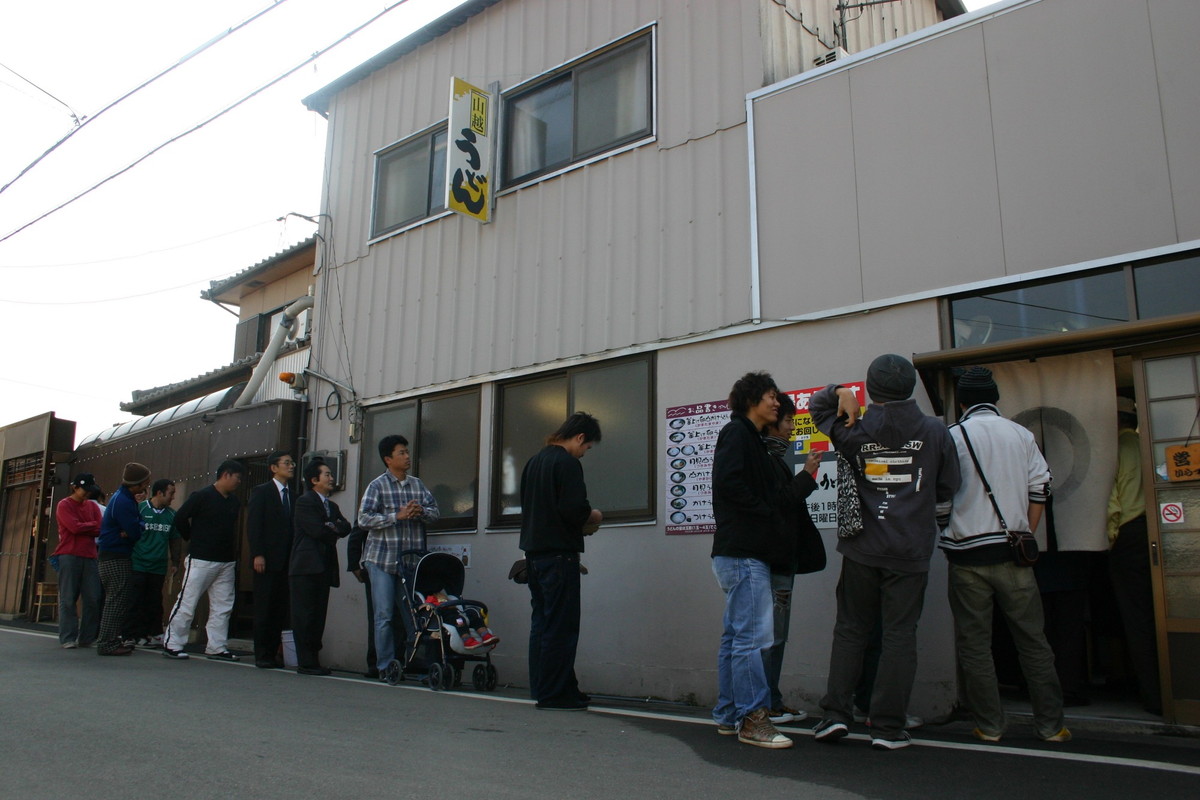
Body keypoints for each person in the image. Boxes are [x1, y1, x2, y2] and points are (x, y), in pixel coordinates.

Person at [810, 354, 960, 751]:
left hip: (862, 546)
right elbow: (947, 487)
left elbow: (816, 406)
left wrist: (841, 392)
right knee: (899, 634)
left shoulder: (851, 428)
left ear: (871, 389)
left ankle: (836, 716)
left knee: (851, 629)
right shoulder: (935, 431)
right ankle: (888, 727)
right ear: (910, 387)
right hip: (910, 549)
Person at [939, 367, 1070, 743]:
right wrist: (1024, 531)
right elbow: (1041, 487)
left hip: (966, 559)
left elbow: (941, 496)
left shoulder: (953, 437)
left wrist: (947, 526)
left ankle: (991, 726)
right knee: (1033, 640)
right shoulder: (1020, 434)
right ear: (994, 399)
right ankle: (1051, 725)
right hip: (1014, 558)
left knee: (975, 645)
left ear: (962, 401)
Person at [710, 372, 792, 748]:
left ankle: (729, 715)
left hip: (739, 551)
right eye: (771, 397)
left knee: (736, 637)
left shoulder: (751, 439)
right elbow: (728, 483)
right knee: (754, 638)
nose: (777, 404)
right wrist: (766, 513)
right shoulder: (738, 433)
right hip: (744, 552)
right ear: (752, 400)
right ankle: (753, 720)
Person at [520, 412, 603, 711]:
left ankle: (549, 687)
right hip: (559, 555)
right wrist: (594, 516)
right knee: (562, 626)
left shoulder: (535, 462)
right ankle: (556, 693)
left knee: (542, 623)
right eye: (587, 446)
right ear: (580, 437)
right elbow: (574, 509)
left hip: (533, 554)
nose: (585, 452)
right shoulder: (568, 464)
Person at [761, 391, 824, 725]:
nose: (791, 429)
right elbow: (778, 505)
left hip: (782, 560)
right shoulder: (765, 459)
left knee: (775, 635)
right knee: (772, 636)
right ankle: (767, 702)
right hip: (775, 562)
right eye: (787, 421)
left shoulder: (773, 458)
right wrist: (806, 476)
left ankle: (772, 699)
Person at [358, 435, 440, 683]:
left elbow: (435, 513)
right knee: (383, 615)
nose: (407, 456)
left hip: (409, 563)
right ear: (388, 459)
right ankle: (385, 666)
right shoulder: (377, 486)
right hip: (381, 559)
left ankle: (412, 663)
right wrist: (397, 516)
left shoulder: (417, 484)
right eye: (401, 452)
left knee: (413, 614)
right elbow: (363, 519)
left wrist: (421, 512)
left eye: (407, 452)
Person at [1107, 396, 1161, 715]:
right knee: (1159, 612)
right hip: (1157, 530)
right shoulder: (1148, 444)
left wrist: (1109, 540)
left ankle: (1153, 695)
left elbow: (1112, 504)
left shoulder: (1113, 450)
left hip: (1129, 532)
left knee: (1136, 615)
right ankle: (1170, 688)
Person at [162, 459, 245, 661]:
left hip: (225, 561)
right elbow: (180, 518)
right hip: (200, 559)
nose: (239, 482)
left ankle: (217, 646)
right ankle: (173, 643)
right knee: (187, 602)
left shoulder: (234, 502)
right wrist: (191, 538)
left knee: (223, 605)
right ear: (226, 474)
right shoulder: (202, 496)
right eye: (237, 477)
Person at [289, 459, 351, 676]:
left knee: (318, 614)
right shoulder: (305, 502)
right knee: (304, 614)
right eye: (326, 474)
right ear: (314, 480)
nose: (331, 478)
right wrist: (332, 527)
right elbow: (317, 530)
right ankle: (305, 661)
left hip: (324, 565)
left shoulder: (331, 505)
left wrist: (331, 526)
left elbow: (346, 527)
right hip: (305, 566)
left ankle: (313, 658)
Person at [95, 462, 152, 656]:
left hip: (109, 555)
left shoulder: (120, 498)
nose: (147, 485)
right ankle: (107, 643)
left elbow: (133, 529)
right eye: (145, 481)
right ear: (137, 484)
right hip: (116, 557)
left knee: (114, 600)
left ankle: (108, 639)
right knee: (116, 601)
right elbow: (135, 530)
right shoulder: (125, 502)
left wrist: (132, 529)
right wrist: (135, 529)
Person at [247, 451, 296, 669]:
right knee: (265, 606)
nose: (291, 466)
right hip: (266, 558)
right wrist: (258, 553)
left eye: (291, 463)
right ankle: (262, 653)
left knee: (280, 606)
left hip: (287, 560)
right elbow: (255, 524)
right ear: (273, 468)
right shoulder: (262, 492)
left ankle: (275, 651)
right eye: (286, 463)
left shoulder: (293, 495)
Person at [52, 473, 104, 649]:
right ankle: (68, 637)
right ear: (75, 487)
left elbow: (100, 528)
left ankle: (87, 637)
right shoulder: (64, 505)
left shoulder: (92, 506)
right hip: (69, 554)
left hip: (90, 555)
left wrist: (84, 527)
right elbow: (73, 527)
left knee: (93, 597)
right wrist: (90, 526)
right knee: (68, 597)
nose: (88, 494)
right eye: (85, 490)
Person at [345, 524, 404, 678]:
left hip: (400, 566)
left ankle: (396, 662)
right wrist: (354, 565)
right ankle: (376, 663)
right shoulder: (374, 503)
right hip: (376, 565)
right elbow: (356, 535)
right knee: (380, 616)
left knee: (396, 618)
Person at [128, 478, 181, 647]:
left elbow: (175, 540)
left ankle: (155, 632)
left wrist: (175, 561)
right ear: (159, 493)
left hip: (158, 565)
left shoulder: (171, 515)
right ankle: (135, 634)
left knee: (155, 600)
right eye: (171, 493)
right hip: (138, 563)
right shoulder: (140, 509)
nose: (173, 497)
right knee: (136, 599)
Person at [423, 589, 500, 650]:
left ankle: (485, 635)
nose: (443, 596)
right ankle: (467, 640)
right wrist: (441, 604)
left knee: (475, 618)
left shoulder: (450, 600)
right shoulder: (431, 599)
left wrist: (450, 603)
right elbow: (430, 608)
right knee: (460, 621)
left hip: (459, 614)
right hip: (449, 617)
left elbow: (457, 608)